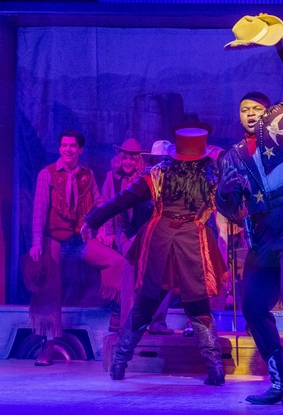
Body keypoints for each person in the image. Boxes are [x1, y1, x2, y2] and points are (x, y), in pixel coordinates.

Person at [216, 14, 283, 413]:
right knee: (253, 305)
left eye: (256, 107)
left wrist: (278, 41)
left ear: (269, 109)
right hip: (263, 232)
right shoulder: (232, 156)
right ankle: (278, 380)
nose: (250, 113)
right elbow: (230, 209)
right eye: (243, 109)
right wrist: (224, 196)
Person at [81, 128, 228, 385]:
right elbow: (233, 207)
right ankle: (215, 369)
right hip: (191, 242)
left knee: (146, 304)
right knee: (197, 306)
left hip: (163, 240)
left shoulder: (158, 174)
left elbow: (124, 199)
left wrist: (93, 219)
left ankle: (119, 363)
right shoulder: (212, 177)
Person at [27, 129, 125, 366]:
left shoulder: (86, 174)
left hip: (78, 238)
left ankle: (118, 315)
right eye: (64, 145)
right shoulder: (47, 174)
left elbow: (99, 204)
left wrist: (103, 231)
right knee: (50, 287)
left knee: (117, 261)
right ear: (59, 148)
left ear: (80, 150)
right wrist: (37, 242)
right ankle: (48, 346)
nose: (67, 149)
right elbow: (39, 209)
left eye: (72, 146)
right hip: (54, 239)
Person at [100, 138, 154, 332]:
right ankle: (124, 320)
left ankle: (139, 319)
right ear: (119, 159)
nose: (128, 162)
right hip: (123, 232)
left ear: (138, 161)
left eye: (132, 159)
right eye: (125, 158)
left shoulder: (144, 179)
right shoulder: (112, 178)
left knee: (141, 275)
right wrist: (109, 232)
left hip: (142, 231)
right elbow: (106, 205)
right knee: (127, 271)